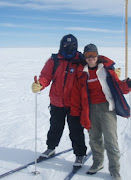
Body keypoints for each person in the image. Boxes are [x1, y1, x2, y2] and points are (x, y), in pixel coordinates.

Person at [70, 44, 131, 180]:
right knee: (94, 139)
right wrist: (76, 111)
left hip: (106, 108)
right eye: (87, 55)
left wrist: (127, 85)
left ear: (97, 55)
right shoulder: (82, 72)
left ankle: (115, 170)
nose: (90, 58)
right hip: (90, 109)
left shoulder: (105, 70)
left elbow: (118, 86)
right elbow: (76, 93)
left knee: (111, 140)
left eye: (92, 54)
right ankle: (98, 163)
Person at [31, 34, 87, 167]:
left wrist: (110, 72)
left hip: (74, 104)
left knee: (76, 130)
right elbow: (45, 76)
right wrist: (40, 84)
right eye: (66, 45)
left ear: (76, 46)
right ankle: (51, 148)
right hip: (57, 101)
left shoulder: (81, 60)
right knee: (55, 127)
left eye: (72, 45)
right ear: (61, 45)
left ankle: (80, 154)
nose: (69, 48)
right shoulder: (54, 60)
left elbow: (94, 67)